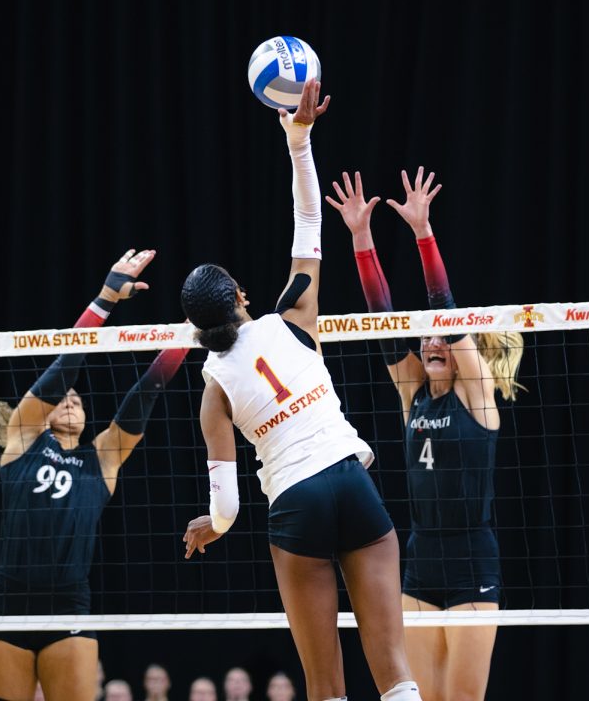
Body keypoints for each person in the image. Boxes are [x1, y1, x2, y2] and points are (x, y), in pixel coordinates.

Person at [180, 78, 420, 701]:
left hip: (295, 504)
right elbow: (309, 220)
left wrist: (211, 526)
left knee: (325, 685)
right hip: (350, 481)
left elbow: (228, 509)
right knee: (394, 668)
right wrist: (299, 140)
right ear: (239, 298)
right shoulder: (292, 317)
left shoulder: (213, 389)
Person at [327, 167, 524, 701]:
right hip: (420, 559)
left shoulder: (477, 395)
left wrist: (422, 232)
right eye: (427, 336)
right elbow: (382, 318)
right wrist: (361, 237)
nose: (433, 340)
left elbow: (448, 313)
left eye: (444, 337)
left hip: (471, 563)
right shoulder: (412, 391)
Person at [0, 248, 188, 701]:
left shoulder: (103, 459)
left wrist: (186, 337)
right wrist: (105, 299)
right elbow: (62, 369)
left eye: (77, 398)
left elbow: (144, 395)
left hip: (68, 607)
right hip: (8, 604)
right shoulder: (22, 439)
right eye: (61, 399)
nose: (68, 399)